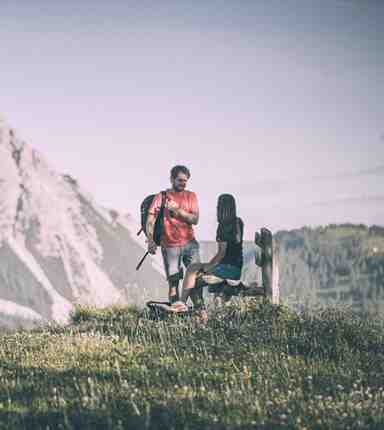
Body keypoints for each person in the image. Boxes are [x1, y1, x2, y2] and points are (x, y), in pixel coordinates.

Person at [170, 193, 244, 312]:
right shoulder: (239, 222)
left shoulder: (223, 227)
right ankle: (196, 310)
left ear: (220, 208)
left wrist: (207, 268)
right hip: (236, 269)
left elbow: (221, 254)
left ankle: (182, 303)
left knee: (192, 271)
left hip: (225, 269)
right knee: (195, 276)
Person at [146, 165, 203, 306]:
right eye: (180, 180)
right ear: (172, 179)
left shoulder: (191, 196)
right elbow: (150, 219)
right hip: (170, 246)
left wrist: (177, 210)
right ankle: (176, 312)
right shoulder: (162, 197)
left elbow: (194, 220)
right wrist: (151, 241)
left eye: (185, 181)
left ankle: (201, 311)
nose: (183, 183)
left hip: (190, 244)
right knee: (173, 283)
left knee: (197, 279)